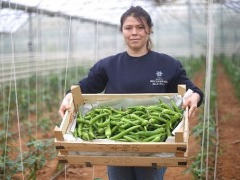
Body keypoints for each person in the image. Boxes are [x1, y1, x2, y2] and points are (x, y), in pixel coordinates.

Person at [58, 5, 203, 180]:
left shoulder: (167, 64)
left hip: (154, 139)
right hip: (115, 141)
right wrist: (68, 97)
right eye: (128, 28)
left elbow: (191, 89)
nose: (134, 32)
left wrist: (195, 96)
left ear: (149, 30)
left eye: (140, 27)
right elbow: (86, 86)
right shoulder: (108, 65)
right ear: (122, 31)